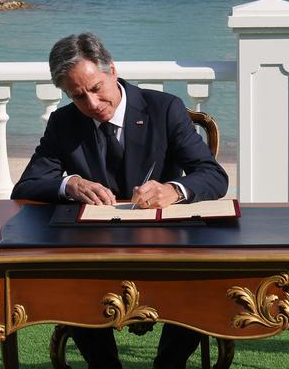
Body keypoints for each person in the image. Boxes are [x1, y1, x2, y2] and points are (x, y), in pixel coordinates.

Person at [12, 32, 229, 369]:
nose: (93, 105)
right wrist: (69, 184)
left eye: (96, 88)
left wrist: (174, 189)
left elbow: (213, 176)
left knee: (199, 281)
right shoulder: (63, 122)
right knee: (76, 282)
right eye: (78, 96)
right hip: (95, 251)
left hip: (167, 246)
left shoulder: (164, 108)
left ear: (112, 69)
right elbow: (26, 186)